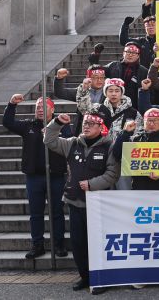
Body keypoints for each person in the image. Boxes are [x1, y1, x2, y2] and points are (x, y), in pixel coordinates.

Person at [44, 113, 120, 292]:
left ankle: (100, 278)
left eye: (92, 124)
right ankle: (85, 277)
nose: (86, 126)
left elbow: (112, 174)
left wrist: (92, 184)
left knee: (98, 243)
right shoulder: (72, 143)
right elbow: (49, 140)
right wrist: (57, 122)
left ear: (101, 127)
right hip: (75, 201)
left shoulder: (109, 146)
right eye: (85, 123)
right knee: (78, 243)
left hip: (98, 204)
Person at [3, 95, 70, 260]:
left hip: (55, 175)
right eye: (38, 107)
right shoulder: (29, 125)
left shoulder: (61, 123)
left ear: (52, 110)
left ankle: (59, 244)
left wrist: (56, 127)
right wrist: (11, 105)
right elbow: (8, 122)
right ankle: (37, 244)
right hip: (34, 176)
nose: (40, 110)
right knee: (36, 213)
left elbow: (69, 141)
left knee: (57, 212)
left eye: (44, 107)